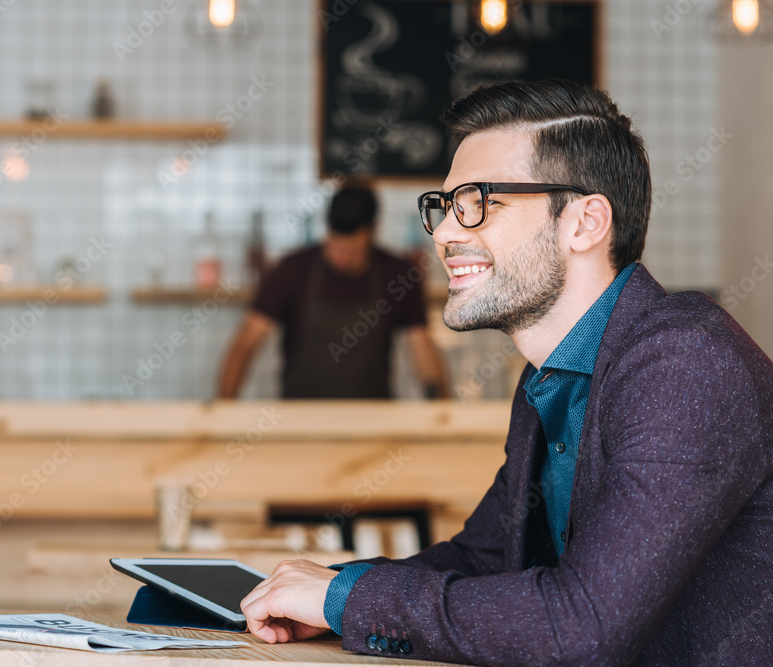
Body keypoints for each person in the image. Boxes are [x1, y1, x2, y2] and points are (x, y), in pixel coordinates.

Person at [239, 79, 773, 665]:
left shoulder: (685, 362)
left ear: (585, 222)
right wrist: (317, 592)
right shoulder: (548, 379)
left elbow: (585, 626)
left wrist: (346, 598)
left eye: (478, 202)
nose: (444, 233)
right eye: (444, 207)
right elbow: (480, 560)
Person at [218, 182, 449, 399]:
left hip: (375, 421)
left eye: (352, 250)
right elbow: (245, 344)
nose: (341, 257)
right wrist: (224, 409)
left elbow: (422, 348)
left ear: (373, 232)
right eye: (335, 246)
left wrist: (441, 411)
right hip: (299, 419)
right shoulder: (293, 270)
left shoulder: (398, 275)